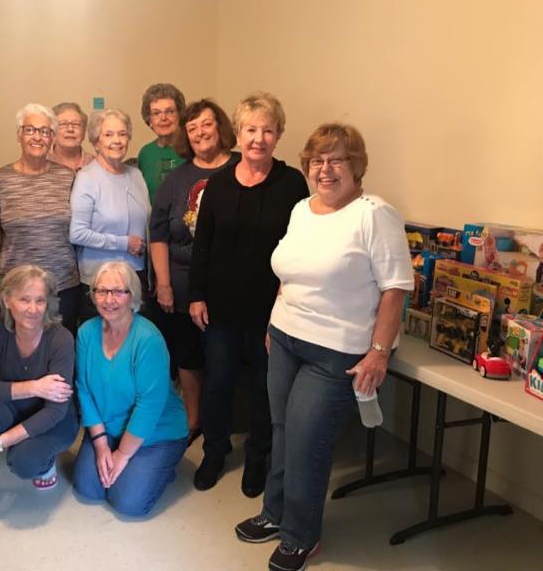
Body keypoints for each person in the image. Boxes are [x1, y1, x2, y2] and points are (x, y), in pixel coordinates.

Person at [234, 124, 413, 571]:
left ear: (356, 166)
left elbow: (396, 288)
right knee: (282, 429)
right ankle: (274, 513)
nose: (325, 169)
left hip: (336, 350)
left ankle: (301, 535)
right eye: (317, 160)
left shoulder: (375, 215)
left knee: (307, 439)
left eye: (337, 160)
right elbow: (290, 272)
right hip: (286, 336)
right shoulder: (302, 209)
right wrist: (275, 320)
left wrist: (379, 352)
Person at [188, 92, 309, 496]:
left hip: (272, 310)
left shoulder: (292, 184)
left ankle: (258, 457)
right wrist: (196, 295)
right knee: (218, 383)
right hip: (220, 308)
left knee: (264, 388)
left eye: (267, 130)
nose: (258, 138)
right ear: (237, 134)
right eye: (251, 130)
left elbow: (300, 247)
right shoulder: (218, 184)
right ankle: (214, 452)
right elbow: (202, 244)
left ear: (279, 135)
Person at [149, 98, 239, 443]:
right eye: (192, 128)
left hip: (228, 286)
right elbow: (158, 233)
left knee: (224, 360)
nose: (200, 132)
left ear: (220, 127)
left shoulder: (242, 168)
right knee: (188, 356)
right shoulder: (177, 179)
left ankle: (221, 425)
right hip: (183, 284)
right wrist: (164, 284)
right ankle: (193, 419)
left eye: (206, 124)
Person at [73, 261, 188, 516]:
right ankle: (132, 464)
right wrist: (101, 445)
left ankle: (163, 465)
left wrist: (122, 455)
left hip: (156, 432)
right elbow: (84, 389)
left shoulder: (148, 339)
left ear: (132, 296)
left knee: (127, 503)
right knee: (88, 488)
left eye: (118, 291)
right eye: (102, 291)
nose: (109, 300)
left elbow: (149, 406)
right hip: (109, 428)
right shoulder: (86, 333)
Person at [0, 265, 79, 522]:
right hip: (12, 406)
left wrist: (0, 442)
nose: (33, 309)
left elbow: (55, 410)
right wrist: (34, 387)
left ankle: (46, 462)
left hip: (55, 418)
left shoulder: (61, 338)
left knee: (25, 462)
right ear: (7, 300)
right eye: (24, 299)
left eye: (40, 300)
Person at [0, 103, 80, 335]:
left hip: (62, 284)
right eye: (30, 130)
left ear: (52, 138)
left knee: (60, 348)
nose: (37, 137)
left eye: (45, 131)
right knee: (18, 349)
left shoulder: (68, 177)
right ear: (19, 135)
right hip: (16, 287)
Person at [70, 109, 150, 315]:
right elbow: (77, 233)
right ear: (96, 142)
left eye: (122, 134)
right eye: (108, 134)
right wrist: (124, 243)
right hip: (101, 284)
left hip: (134, 278)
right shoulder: (87, 178)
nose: (117, 140)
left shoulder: (136, 175)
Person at [137, 83, 187, 203]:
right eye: (156, 113)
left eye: (170, 111)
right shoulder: (145, 153)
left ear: (179, 115)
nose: (163, 118)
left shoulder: (193, 148)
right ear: (149, 120)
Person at [48, 102, 95, 172]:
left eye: (76, 124)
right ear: (52, 131)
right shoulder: (41, 161)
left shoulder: (95, 164)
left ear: (84, 132)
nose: (70, 129)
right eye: (63, 124)